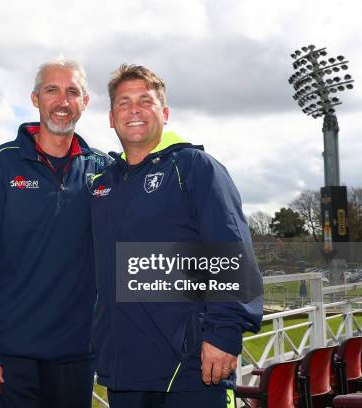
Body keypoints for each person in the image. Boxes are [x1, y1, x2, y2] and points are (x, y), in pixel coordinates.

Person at [90, 64, 263, 407]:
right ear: (111, 118)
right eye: (124, 102)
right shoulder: (101, 186)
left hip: (190, 369)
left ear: (164, 113)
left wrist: (224, 334)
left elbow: (231, 251)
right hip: (124, 371)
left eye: (145, 100)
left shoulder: (195, 167)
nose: (134, 109)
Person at [0, 59, 110, 407]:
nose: (62, 100)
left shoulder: (104, 170)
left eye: (72, 92)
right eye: (51, 90)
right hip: (10, 358)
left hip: (76, 355)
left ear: (85, 103)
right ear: (35, 98)